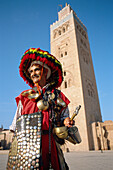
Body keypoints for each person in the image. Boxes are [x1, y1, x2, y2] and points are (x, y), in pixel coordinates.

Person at [7, 48, 74, 170]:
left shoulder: (58, 96)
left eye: (37, 69)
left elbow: (65, 116)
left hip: (50, 144)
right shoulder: (24, 97)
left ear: (45, 72)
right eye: (31, 71)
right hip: (28, 147)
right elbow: (15, 124)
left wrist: (66, 121)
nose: (33, 73)